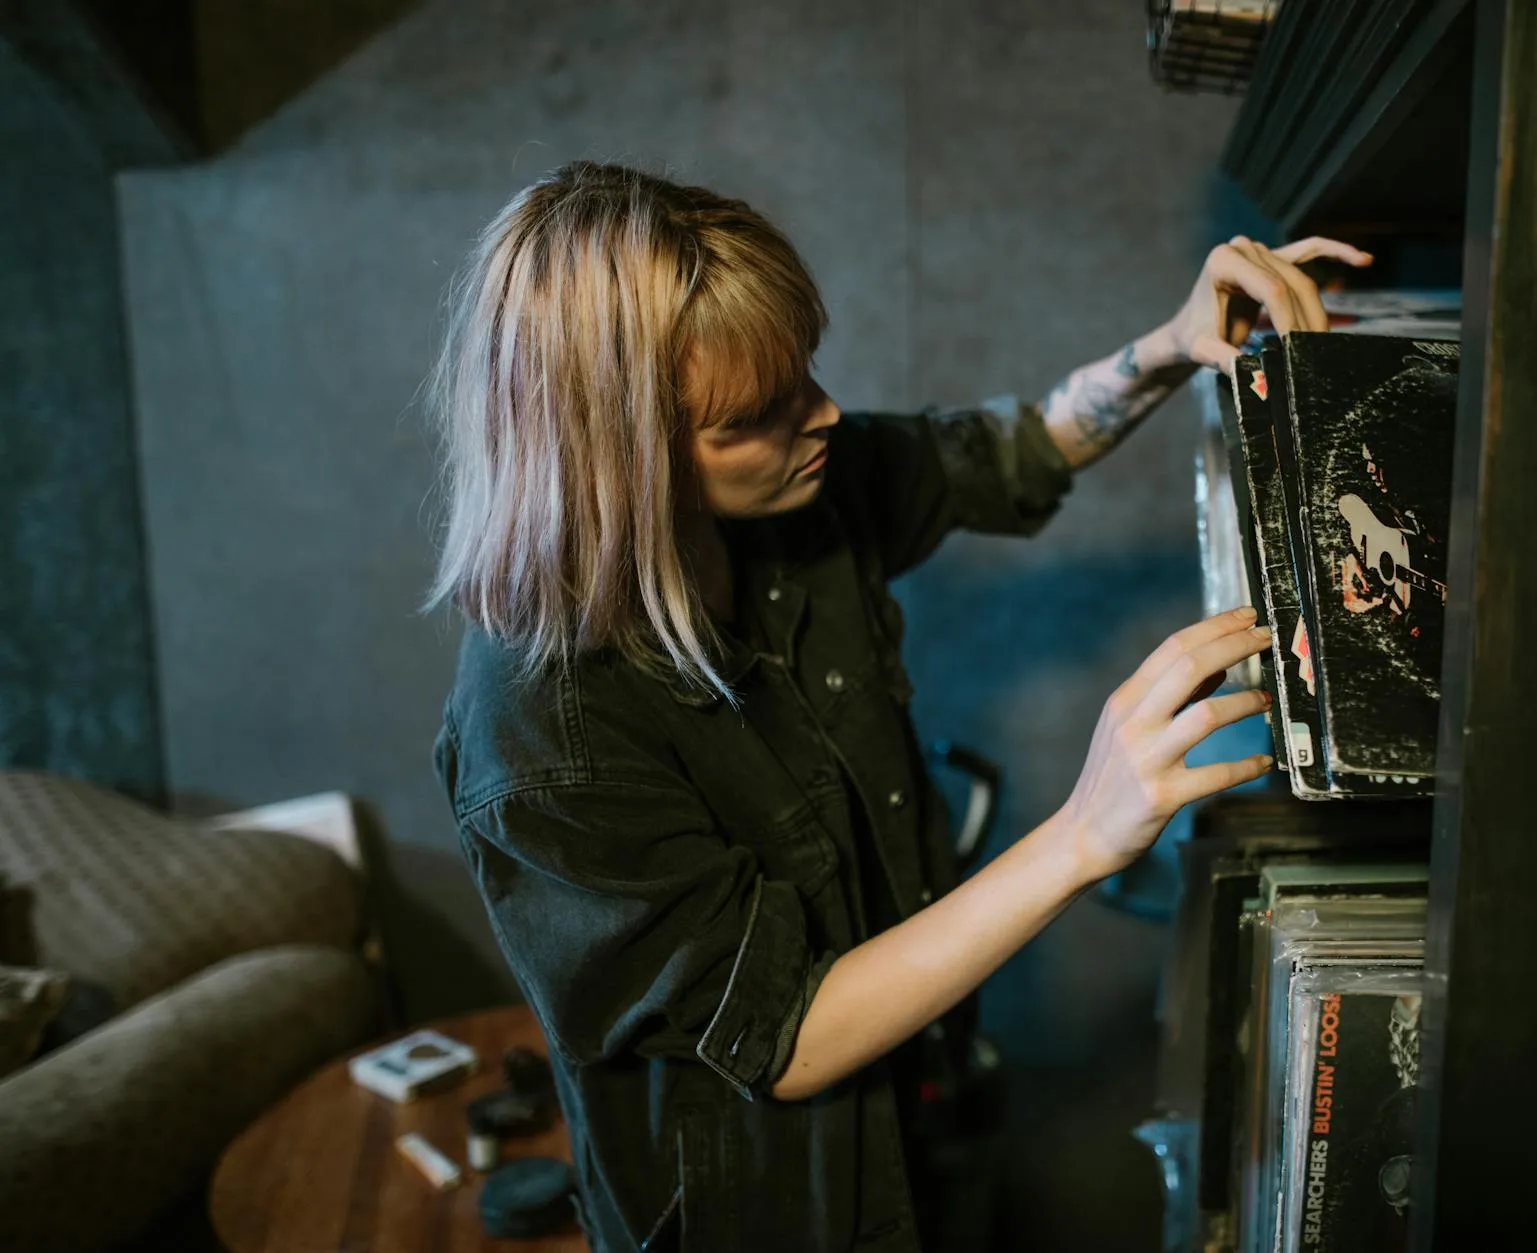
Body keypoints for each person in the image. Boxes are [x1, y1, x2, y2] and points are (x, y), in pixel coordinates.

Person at [427, 159, 1367, 1253]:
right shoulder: (542, 733)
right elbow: (783, 1035)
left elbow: (1009, 451)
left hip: (929, 1118)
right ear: (621, 462)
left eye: (805, 373)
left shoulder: (793, 479)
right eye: (759, 414)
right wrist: (1081, 832)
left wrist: (1166, 346)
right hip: (776, 1212)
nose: (823, 413)